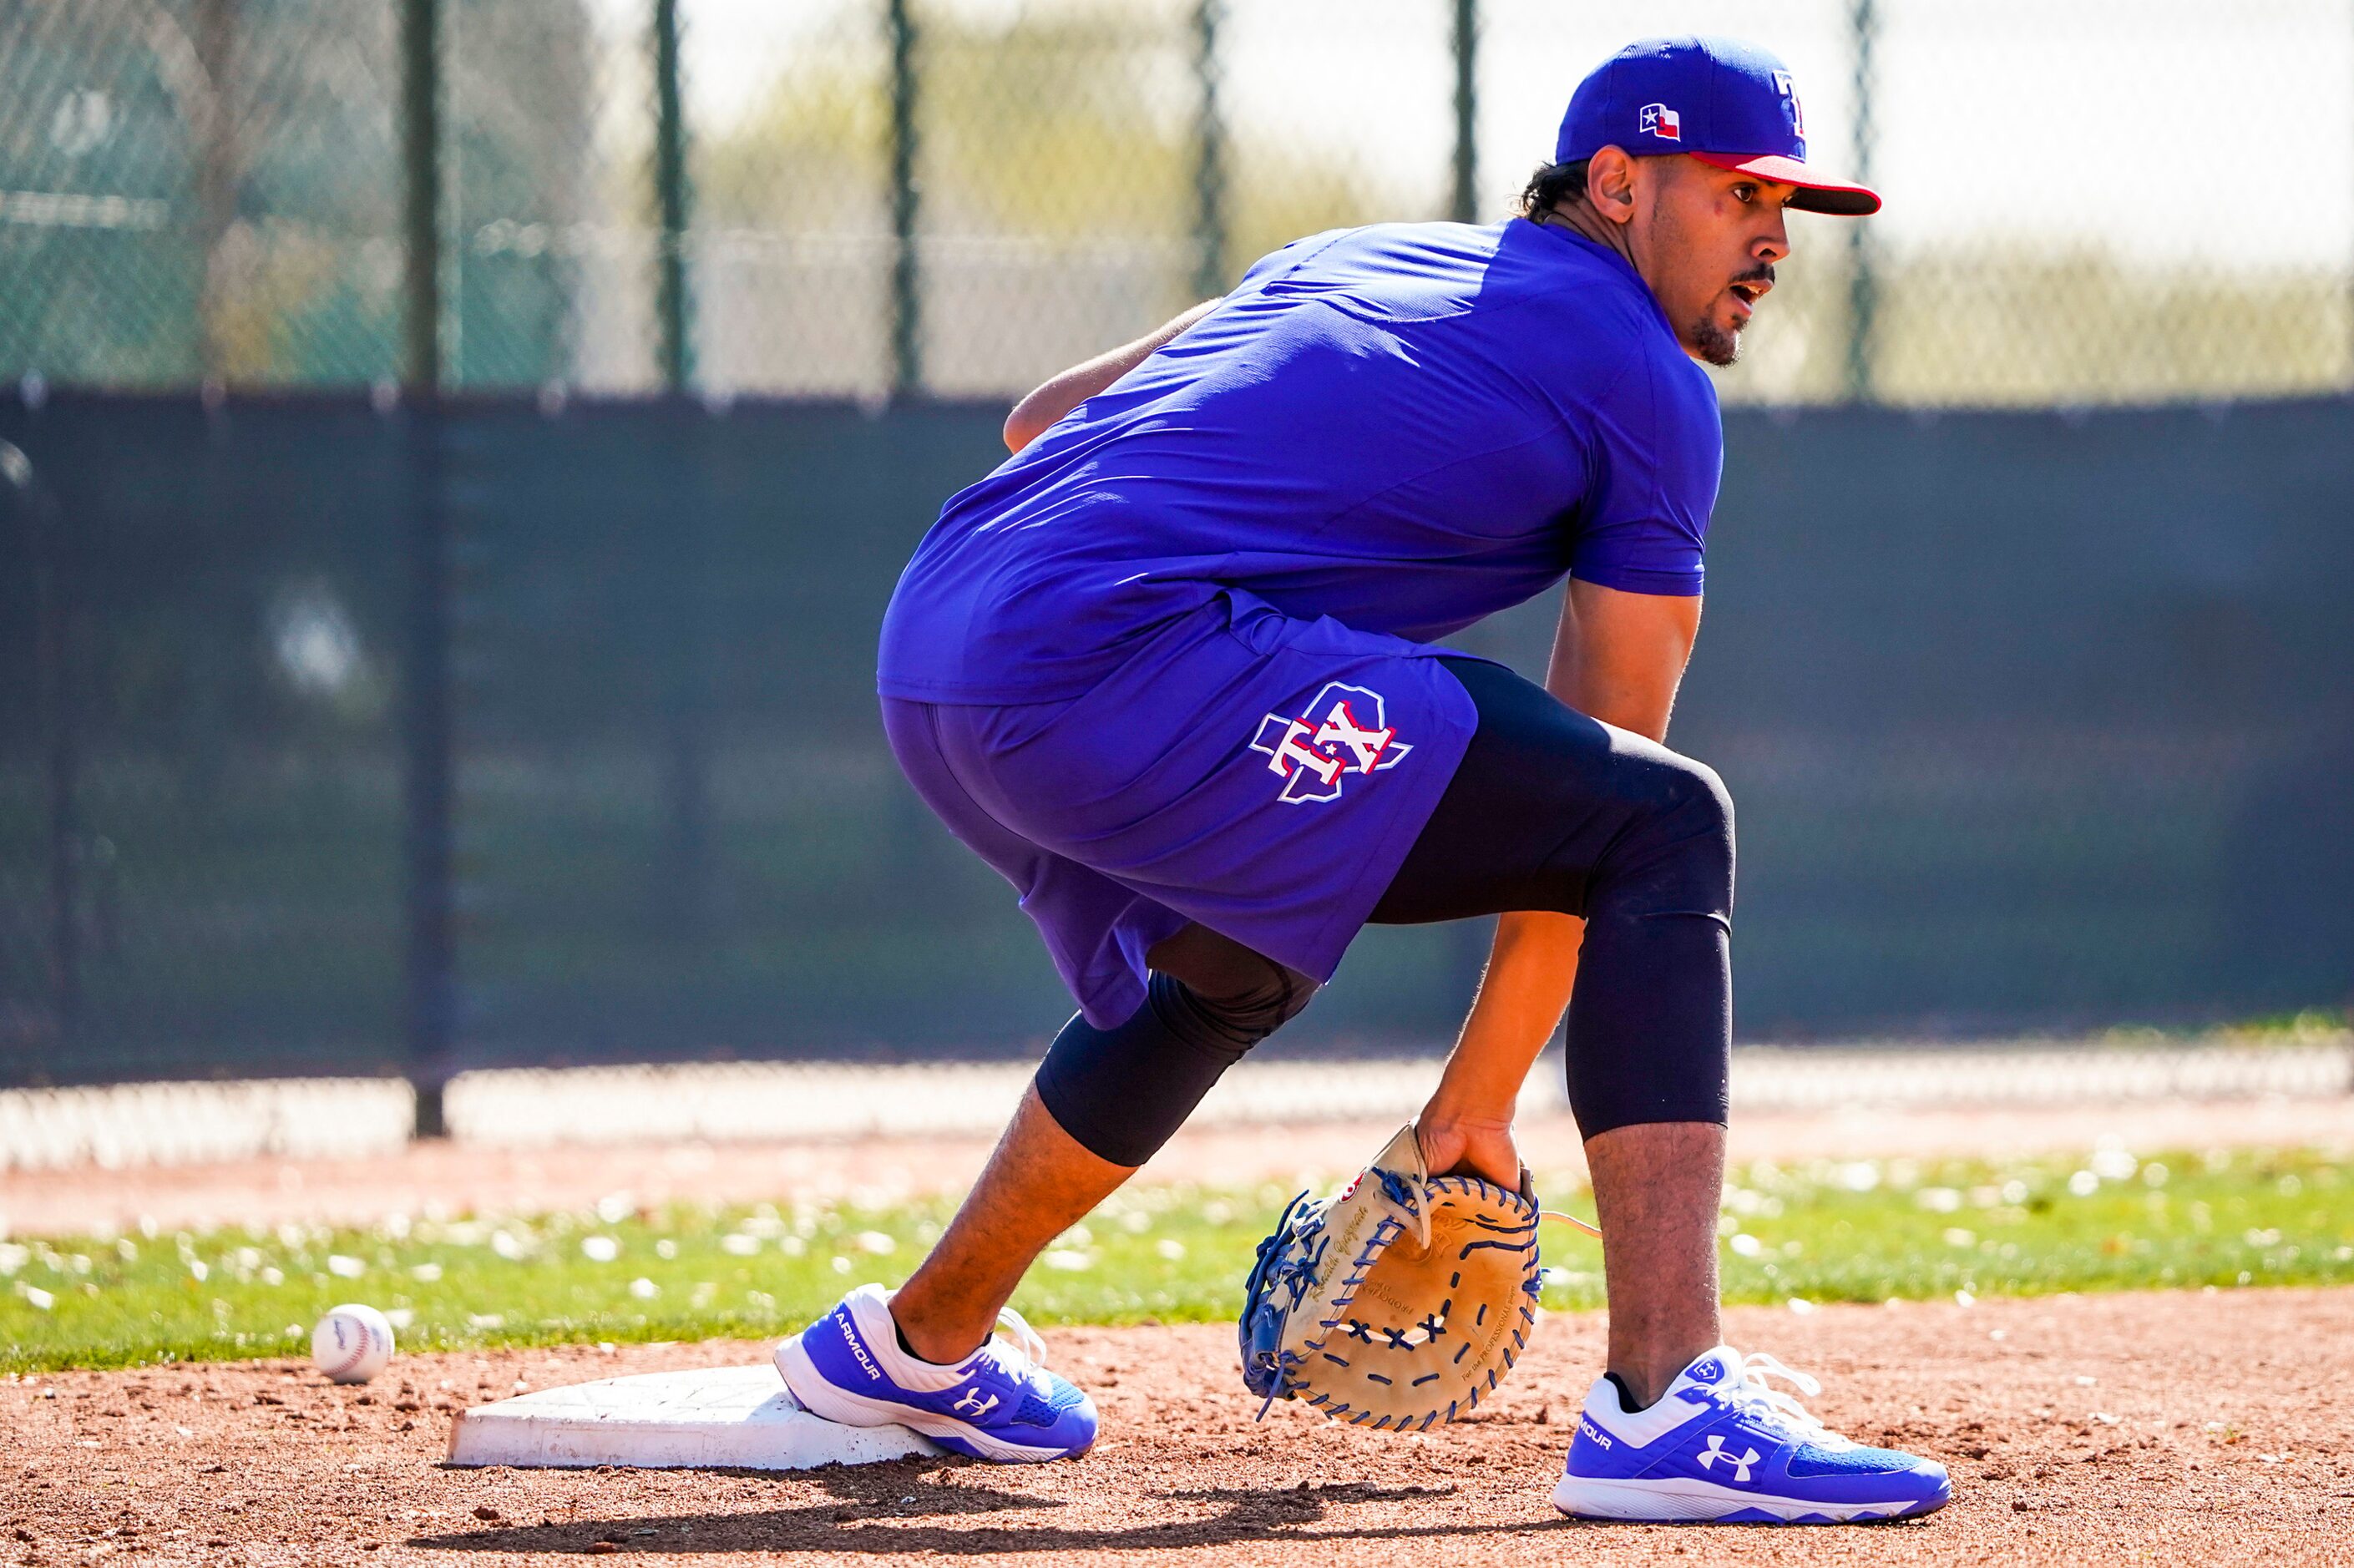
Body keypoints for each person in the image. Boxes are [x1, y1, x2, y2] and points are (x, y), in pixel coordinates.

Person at [778, 35, 1951, 1524]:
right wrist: (1476, 1100)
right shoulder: (1649, 384)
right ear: (1615, 183)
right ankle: (1665, 1399)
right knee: (1671, 823)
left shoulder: (1354, 253)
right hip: (1105, 658)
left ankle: (917, 1346)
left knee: (1233, 961)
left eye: (1790, 209)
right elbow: (1619, 788)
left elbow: (1039, 423)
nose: (1774, 238)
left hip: (941, 642)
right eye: (1735, 195)